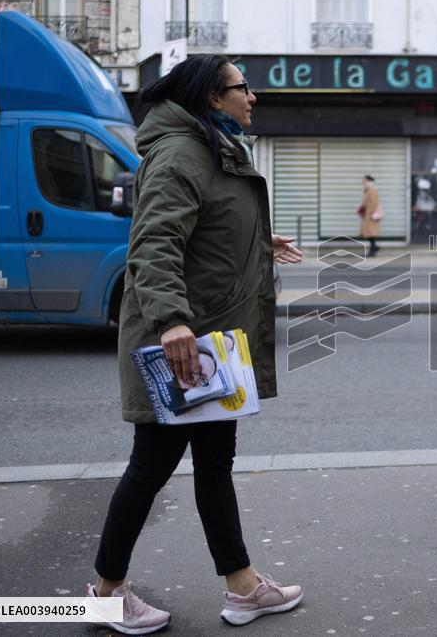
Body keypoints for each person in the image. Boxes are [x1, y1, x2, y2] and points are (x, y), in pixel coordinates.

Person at [88, 54, 306, 634]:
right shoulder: (182, 154)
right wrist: (171, 323)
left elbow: (205, 230)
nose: (252, 97)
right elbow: (154, 243)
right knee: (151, 466)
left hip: (213, 344)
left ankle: (243, 586)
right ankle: (106, 592)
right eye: (242, 87)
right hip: (184, 345)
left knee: (214, 464)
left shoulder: (212, 146)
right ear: (213, 97)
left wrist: (259, 241)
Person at [358, 174, 382, 256]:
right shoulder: (368, 190)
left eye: (364, 180)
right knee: (370, 234)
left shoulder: (372, 190)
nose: (363, 182)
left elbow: (374, 203)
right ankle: (374, 247)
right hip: (368, 215)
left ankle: (373, 250)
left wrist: (369, 211)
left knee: (371, 233)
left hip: (371, 216)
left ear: (368, 181)